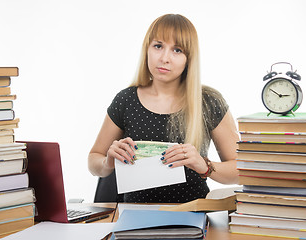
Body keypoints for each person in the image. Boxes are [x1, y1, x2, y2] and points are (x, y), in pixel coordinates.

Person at [88, 14, 239, 203]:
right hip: (134, 218)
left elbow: (240, 170)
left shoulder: (208, 101)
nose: (165, 58)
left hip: (192, 216)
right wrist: (107, 163)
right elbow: (94, 161)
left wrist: (205, 166)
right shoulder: (126, 100)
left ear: (188, 59)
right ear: (147, 49)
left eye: (177, 50)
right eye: (158, 46)